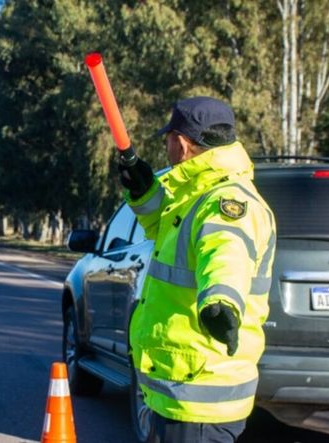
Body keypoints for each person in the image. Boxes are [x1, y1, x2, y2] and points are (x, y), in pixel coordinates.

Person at [119, 96, 277, 443]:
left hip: (199, 391)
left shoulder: (225, 201)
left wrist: (221, 301)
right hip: (183, 384)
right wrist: (143, 190)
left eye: (168, 140)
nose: (166, 148)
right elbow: (164, 228)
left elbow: (227, 252)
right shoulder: (197, 195)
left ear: (181, 143)